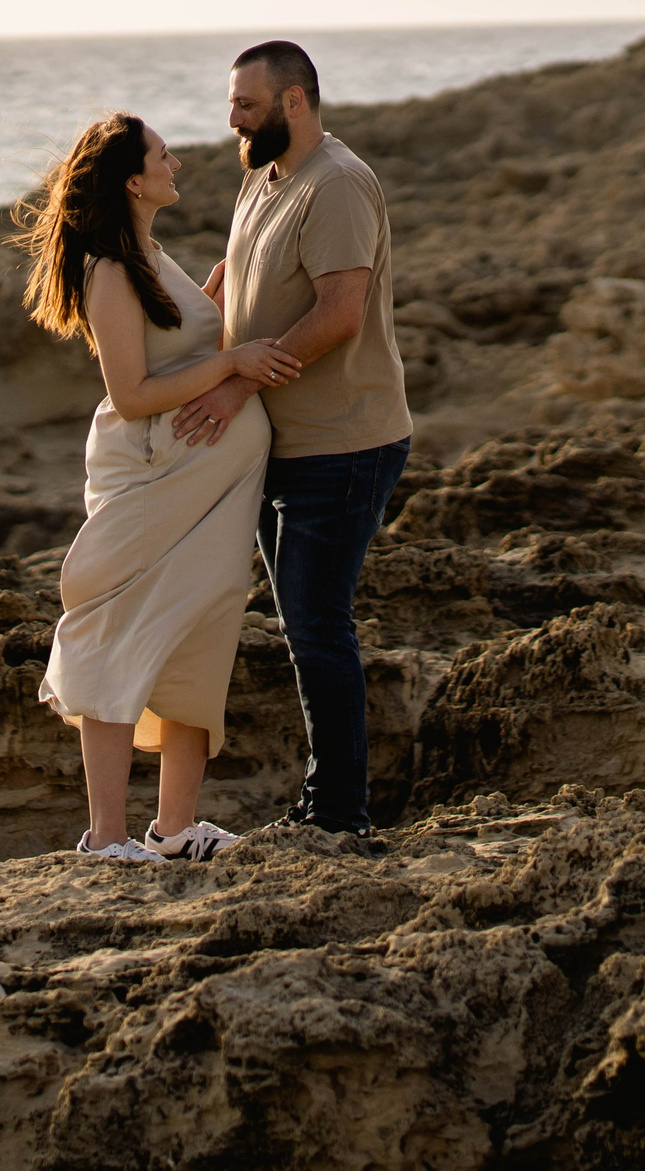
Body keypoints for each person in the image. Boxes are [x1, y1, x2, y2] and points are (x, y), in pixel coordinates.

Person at [14, 112, 300, 862]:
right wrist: (237, 363)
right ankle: (106, 837)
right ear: (134, 180)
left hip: (208, 491)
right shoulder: (109, 267)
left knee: (198, 634)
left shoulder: (151, 254)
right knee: (112, 633)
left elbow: (179, 337)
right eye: (163, 154)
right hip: (151, 477)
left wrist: (222, 298)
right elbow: (135, 390)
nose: (177, 162)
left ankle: (174, 826)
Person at [170, 41, 412, 838]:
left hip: (342, 442)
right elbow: (252, 274)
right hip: (281, 441)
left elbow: (340, 314)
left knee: (317, 626)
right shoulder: (263, 176)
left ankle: (339, 812)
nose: (232, 117)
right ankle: (325, 802)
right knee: (305, 626)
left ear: (295, 101)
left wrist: (238, 382)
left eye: (246, 103)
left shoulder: (338, 183)